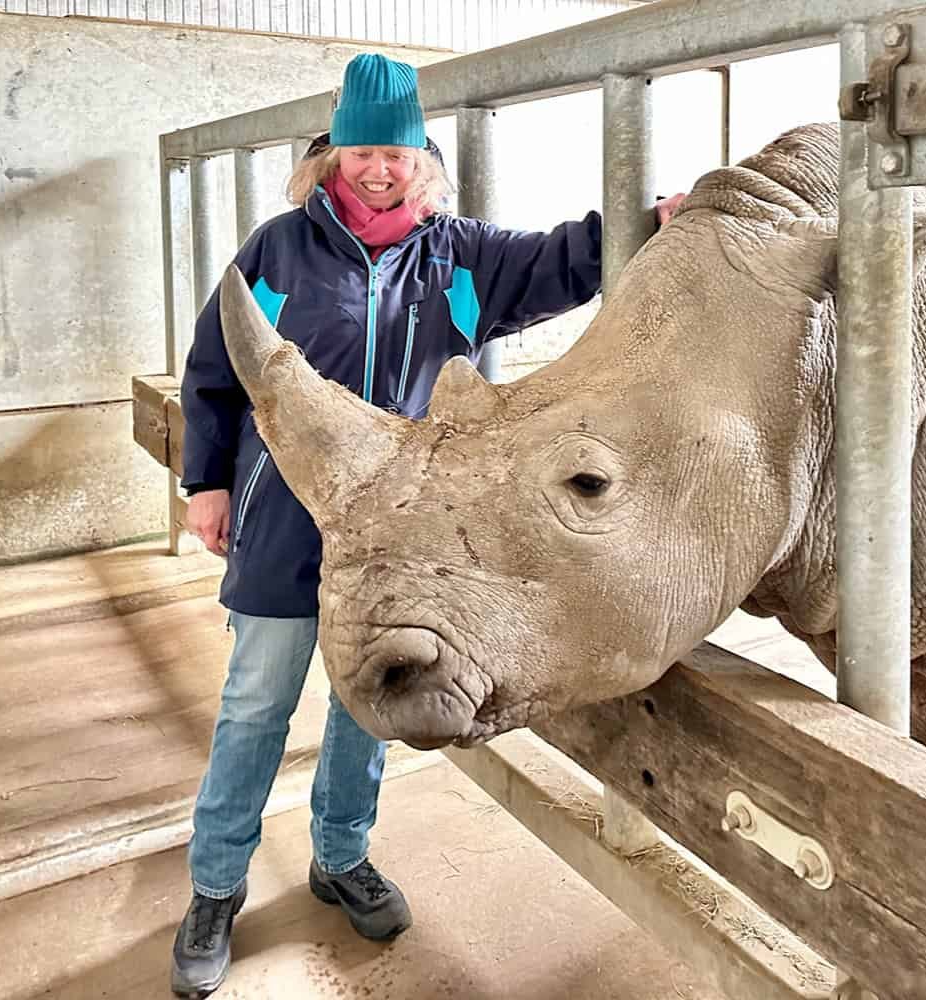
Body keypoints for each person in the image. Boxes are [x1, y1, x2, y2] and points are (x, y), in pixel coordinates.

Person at [170, 51, 683, 999]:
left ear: (422, 163)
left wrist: (653, 224)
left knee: (376, 698)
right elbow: (216, 368)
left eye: (396, 155)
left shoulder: (463, 258)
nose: (378, 170)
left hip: (409, 539)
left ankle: (340, 856)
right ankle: (215, 887)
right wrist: (206, 482)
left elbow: (566, 258)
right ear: (332, 155)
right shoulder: (276, 252)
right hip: (285, 520)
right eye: (362, 150)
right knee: (255, 705)